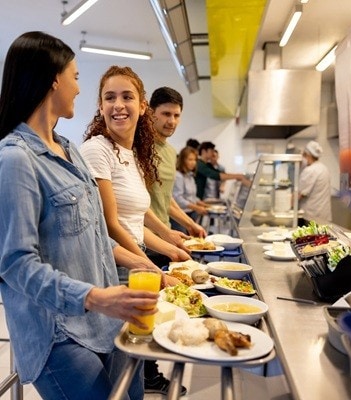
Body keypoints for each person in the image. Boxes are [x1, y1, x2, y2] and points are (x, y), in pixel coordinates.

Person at [0, 31, 158, 400]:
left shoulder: (69, 149)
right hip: (56, 330)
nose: (78, 89)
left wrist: (145, 267)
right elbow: (15, 264)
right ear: (53, 78)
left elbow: (93, 236)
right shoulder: (15, 160)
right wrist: (98, 298)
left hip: (102, 320)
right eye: (75, 77)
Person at [80, 66, 187, 396]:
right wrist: (153, 268)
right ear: (100, 106)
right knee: (122, 376)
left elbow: (136, 220)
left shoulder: (130, 154)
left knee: (134, 370)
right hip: (112, 272)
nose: (118, 105)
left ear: (142, 106)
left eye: (127, 96)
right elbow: (110, 225)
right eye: (109, 97)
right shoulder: (97, 150)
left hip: (132, 270)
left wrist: (172, 248)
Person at [148, 87, 206, 239]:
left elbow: (165, 199)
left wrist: (190, 224)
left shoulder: (171, 152)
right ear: (150, 112)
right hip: (144, 239)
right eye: (166, 114)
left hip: (165, 234)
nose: (171, 121)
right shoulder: (138, 147)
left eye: (176, 115)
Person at [172, 146, 209, 232]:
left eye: (195, 160)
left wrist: (202, 203)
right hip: (180, 215)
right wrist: (197, 207)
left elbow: (192, 197)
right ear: (183, 160)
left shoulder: (190, 176)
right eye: (190, 159)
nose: (193, 162)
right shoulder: (178, 176)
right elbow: (178, 199)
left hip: (192, 213)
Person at [298, 140, 332, 221]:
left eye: (303, 155)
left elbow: (299, 195)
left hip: (311, 217)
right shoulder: (324, 168)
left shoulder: (310, 170)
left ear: (308, 155)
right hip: (324, 216)